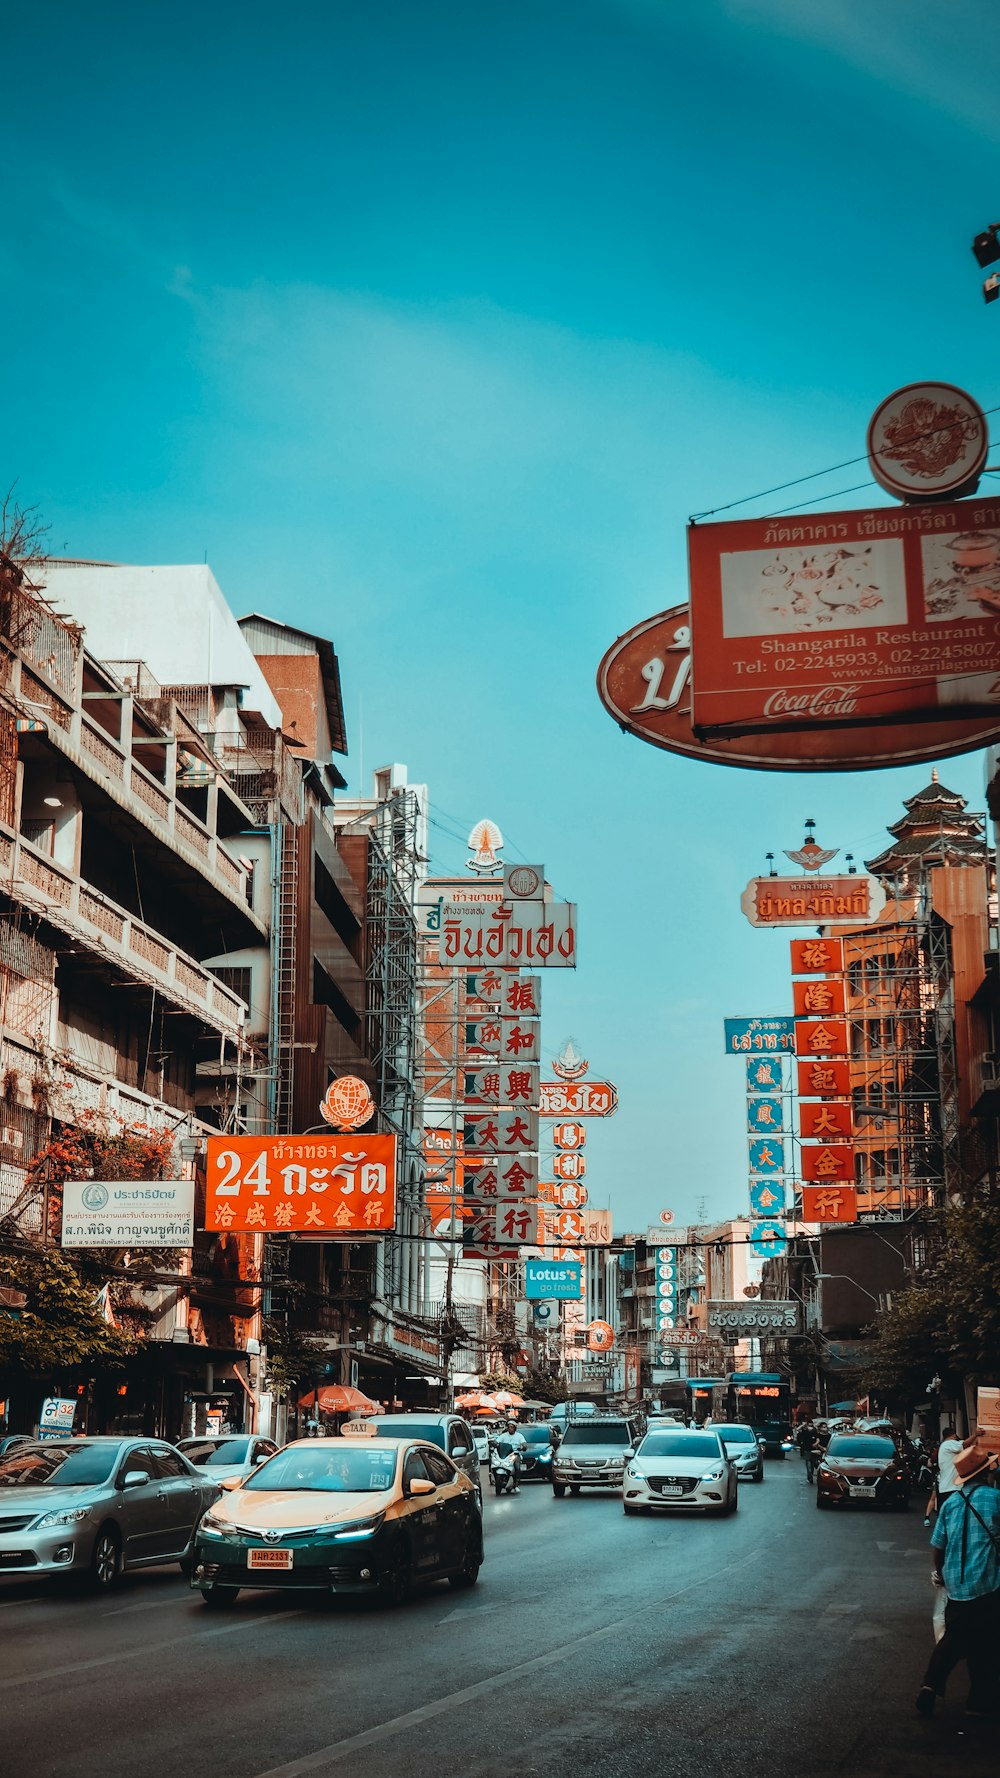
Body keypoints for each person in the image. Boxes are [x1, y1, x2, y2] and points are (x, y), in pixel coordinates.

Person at [916, 1443, 1000, 1719]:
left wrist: (940, 1574)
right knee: (985, 1646)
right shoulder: (994, 1498)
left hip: (957, 1588)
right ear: (986, 1472)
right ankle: (977, 1703)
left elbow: (938, 1546)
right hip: (987, 1586)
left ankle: (930, 1684)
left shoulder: (950, 1503)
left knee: (953, 1638)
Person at [496, 1415, 527, 1492]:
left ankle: (516, 1484)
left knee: (517, 1467)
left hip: (515, 1454)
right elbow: (497, 1441)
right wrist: (494, 1443)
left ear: (515, 1428)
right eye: (509, 1427)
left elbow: (524, 1444)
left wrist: (523, 1447)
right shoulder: (503, 1436)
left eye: (512, 1427)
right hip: (505, 1455)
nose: (510, 1428)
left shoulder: (519, 1436)